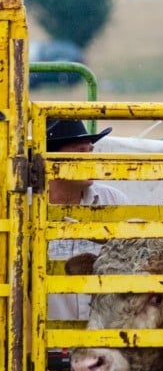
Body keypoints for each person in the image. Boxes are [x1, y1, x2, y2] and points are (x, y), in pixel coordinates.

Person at [45, 120, 129, 321]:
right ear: (51, 159)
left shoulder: (114, 202)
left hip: (102, 342)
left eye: (90, 152)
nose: (90, 160)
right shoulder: (22, 206)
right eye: (80, 153)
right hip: (41, 340)